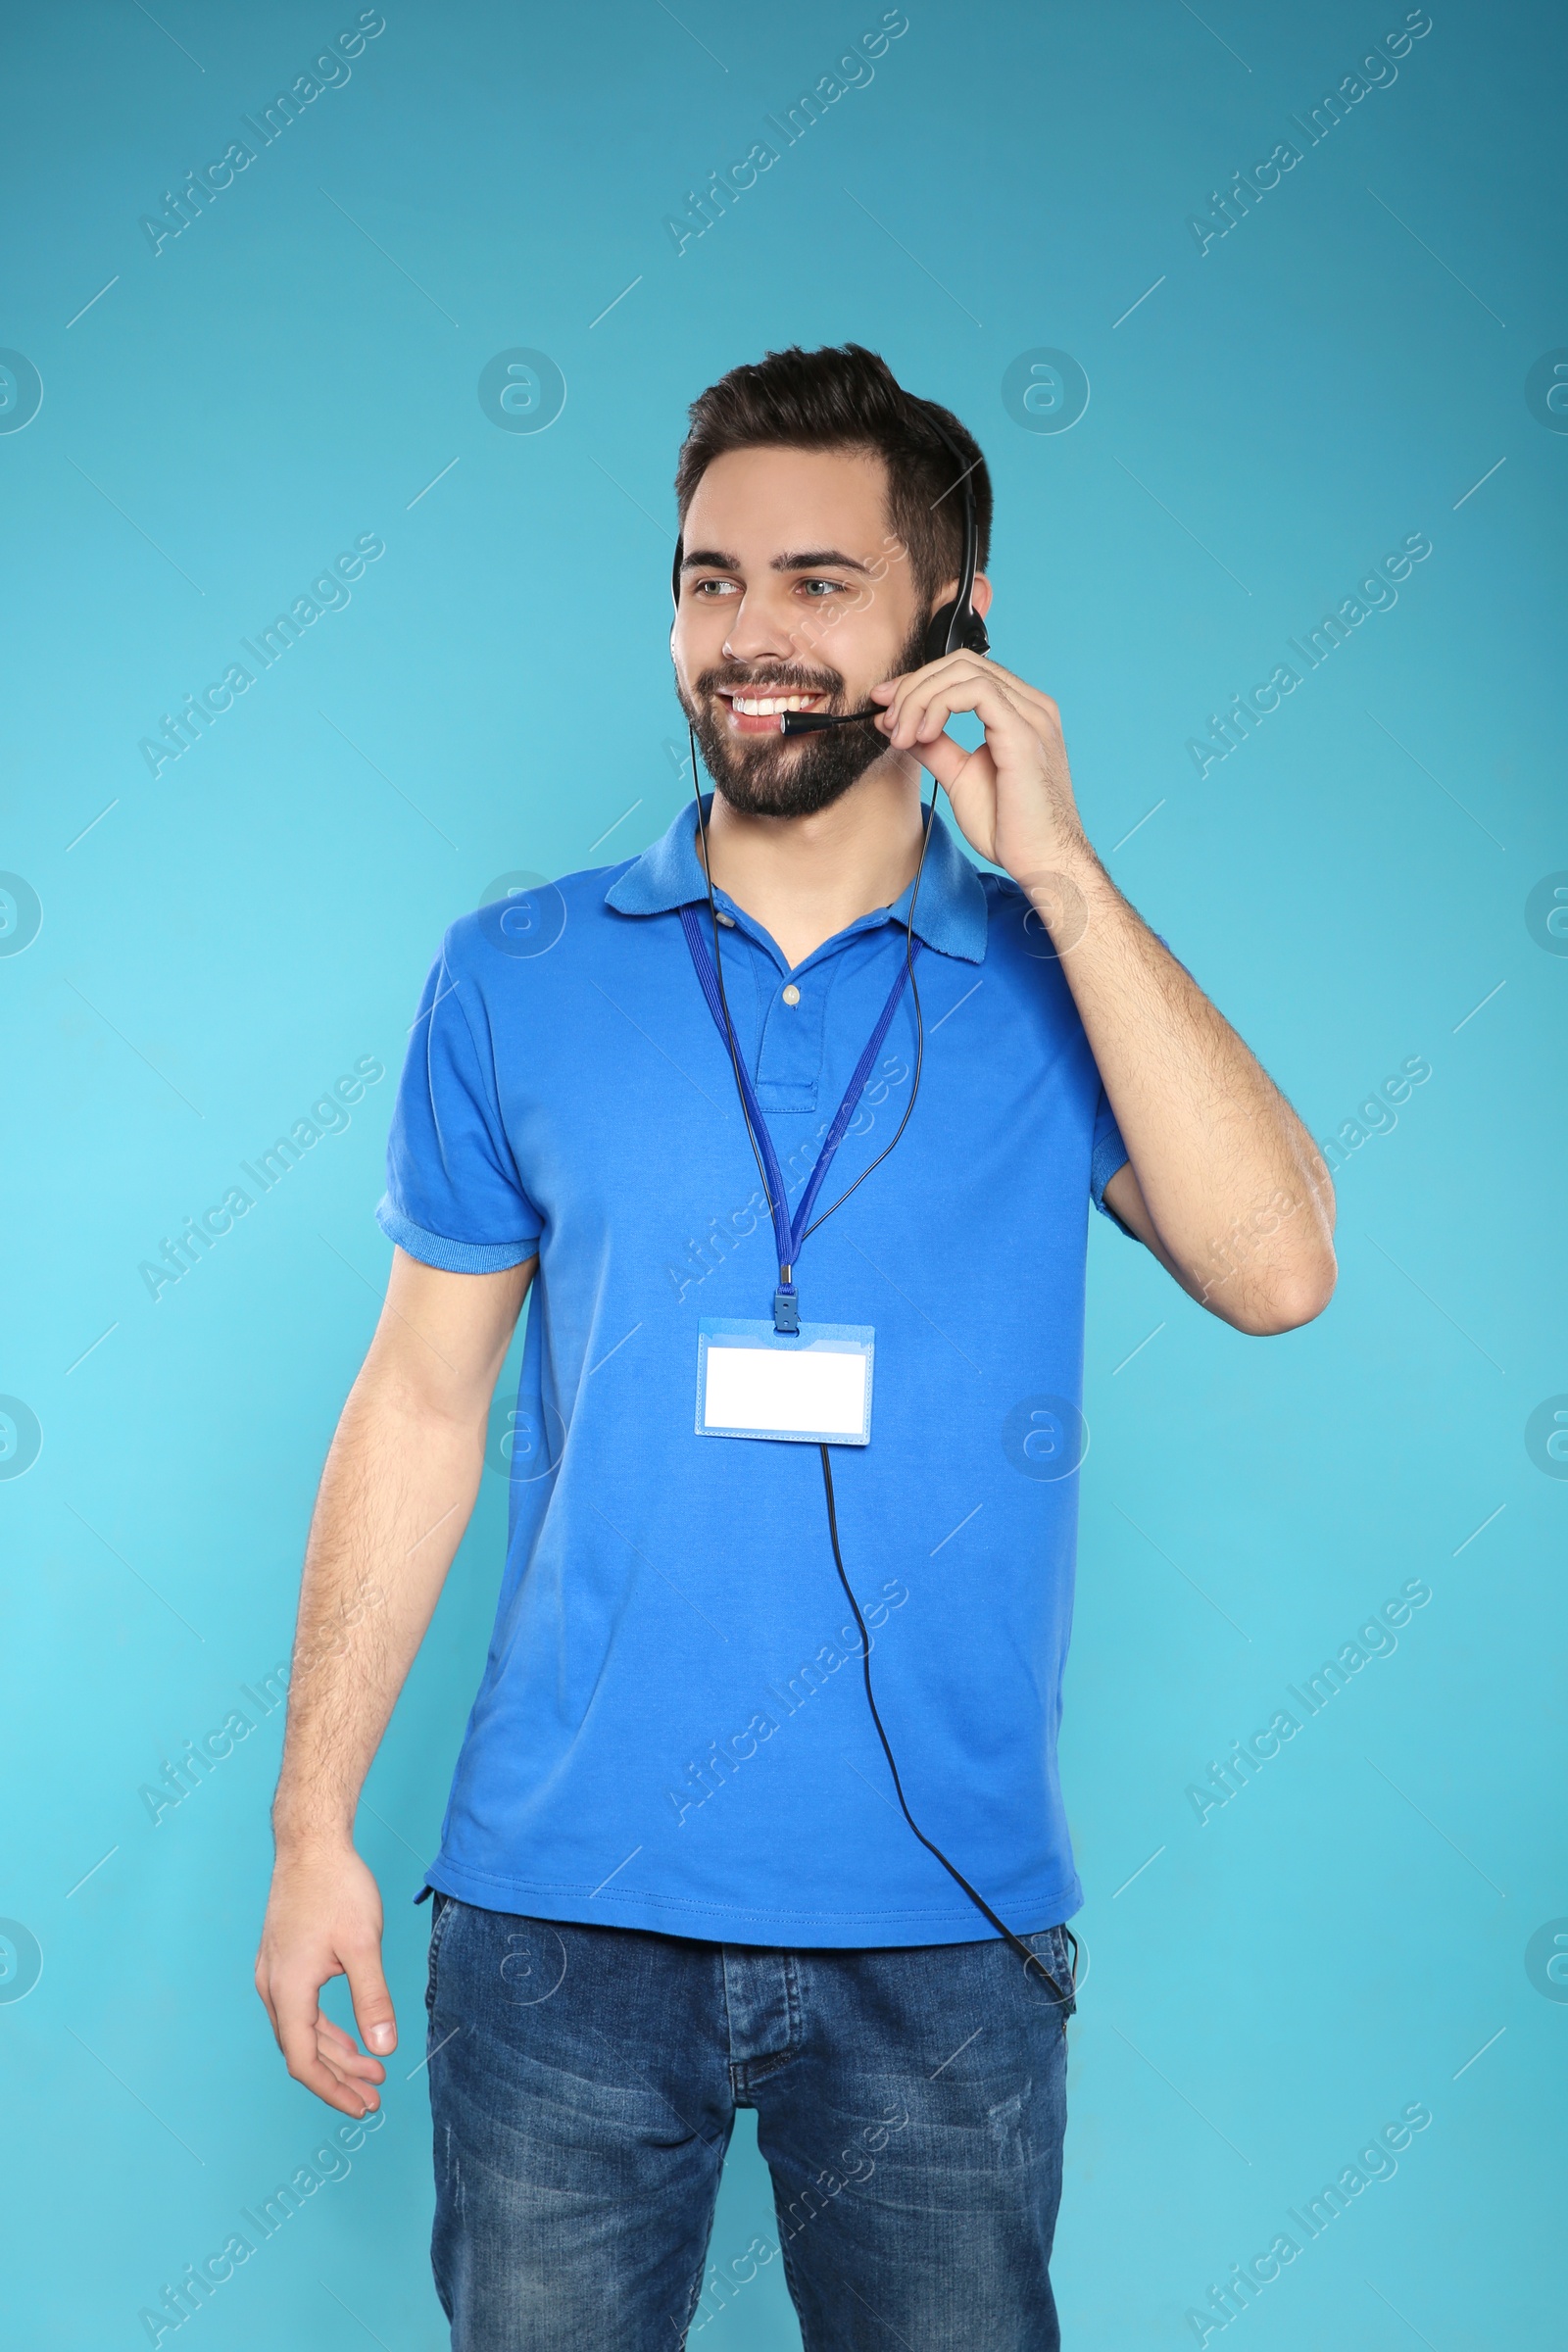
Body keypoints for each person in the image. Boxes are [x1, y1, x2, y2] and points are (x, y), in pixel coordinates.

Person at [255, 343, 1337, 2349]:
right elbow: (417, 1400)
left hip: (943, 1933)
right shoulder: (515, 974)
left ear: (954, 622)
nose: (745, 638)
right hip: (559, 1922)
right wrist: (312, 1826)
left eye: (817, 584)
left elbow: (1276, 1269)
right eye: (706, 579)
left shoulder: (1054, 979)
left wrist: (1068, 878)